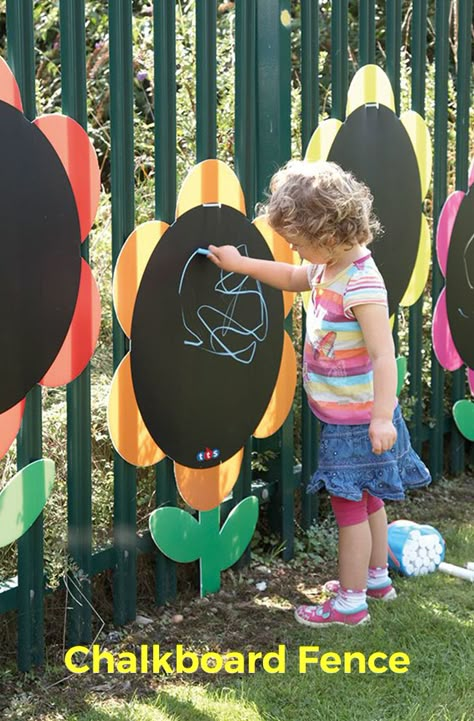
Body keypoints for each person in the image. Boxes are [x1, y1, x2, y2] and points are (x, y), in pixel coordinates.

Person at [207, 160, 431, 627]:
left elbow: (384, 355)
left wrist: (382, 418)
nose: (295, 251)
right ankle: (374, 579)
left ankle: (349, 604)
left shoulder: (361, 282)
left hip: (359, 421)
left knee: (349, 509)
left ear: (327, 233)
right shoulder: (326, 267)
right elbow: (290, 278)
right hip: (350, 417)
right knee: (369, 500)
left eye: (298, 242)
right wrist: (240, 264)